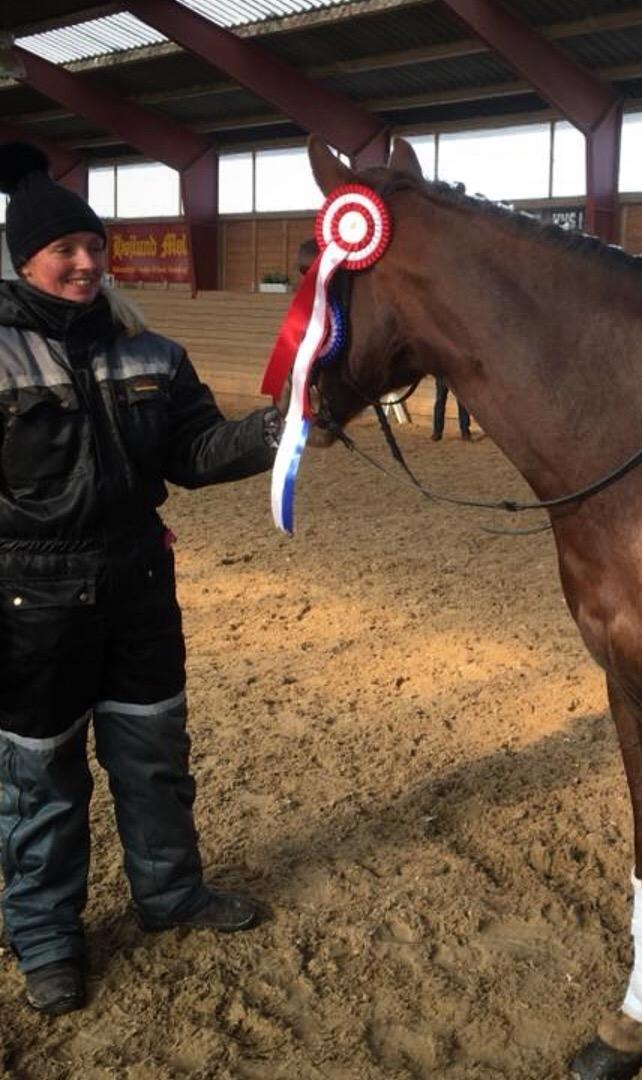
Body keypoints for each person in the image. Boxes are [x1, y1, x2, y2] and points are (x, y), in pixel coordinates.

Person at [0, 142, 284, 1015]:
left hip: (139, 585)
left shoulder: (151, 351)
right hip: (30, 599)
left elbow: (194, 452)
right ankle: (47, 937)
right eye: (65, 249)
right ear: (26, 260)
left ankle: (171, 894)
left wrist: (279, 429)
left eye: (95, 245)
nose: (86, 262)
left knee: (154, 756)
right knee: (40, 779)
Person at [432, 375, 471, 441]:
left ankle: (465, 431)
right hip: (443, 375)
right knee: (440, 402)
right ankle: (437, 432)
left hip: (457, 375)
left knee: (462, 402)